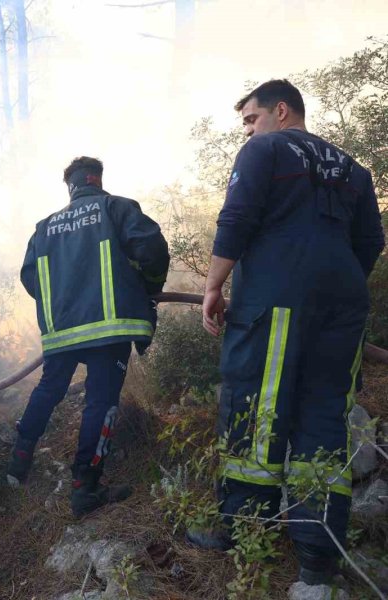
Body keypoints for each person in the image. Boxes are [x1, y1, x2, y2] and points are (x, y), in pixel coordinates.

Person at [197, 79, 385, 585]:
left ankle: (242, 534)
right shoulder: (354, 169)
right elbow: (371, 239)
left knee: (255, 407)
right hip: (344, 308)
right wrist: (333, 282)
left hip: (274, 303)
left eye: (251, 119)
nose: (248, 130)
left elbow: (236, 218)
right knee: (324, 418)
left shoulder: (266, 149)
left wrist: (214, 286)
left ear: (282, 111)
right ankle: (318, 559)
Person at [7, 156, 170, 518]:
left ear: (71, 186)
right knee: (100, 400)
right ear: (97, 179)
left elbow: (30, 277)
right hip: (109, 328)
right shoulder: (116, 208)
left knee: (49, 388)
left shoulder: (44, 227)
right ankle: (85, 487)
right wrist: (145, 288)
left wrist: (64, 302)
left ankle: (18, 461)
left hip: (63, 330)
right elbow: (152, 251)